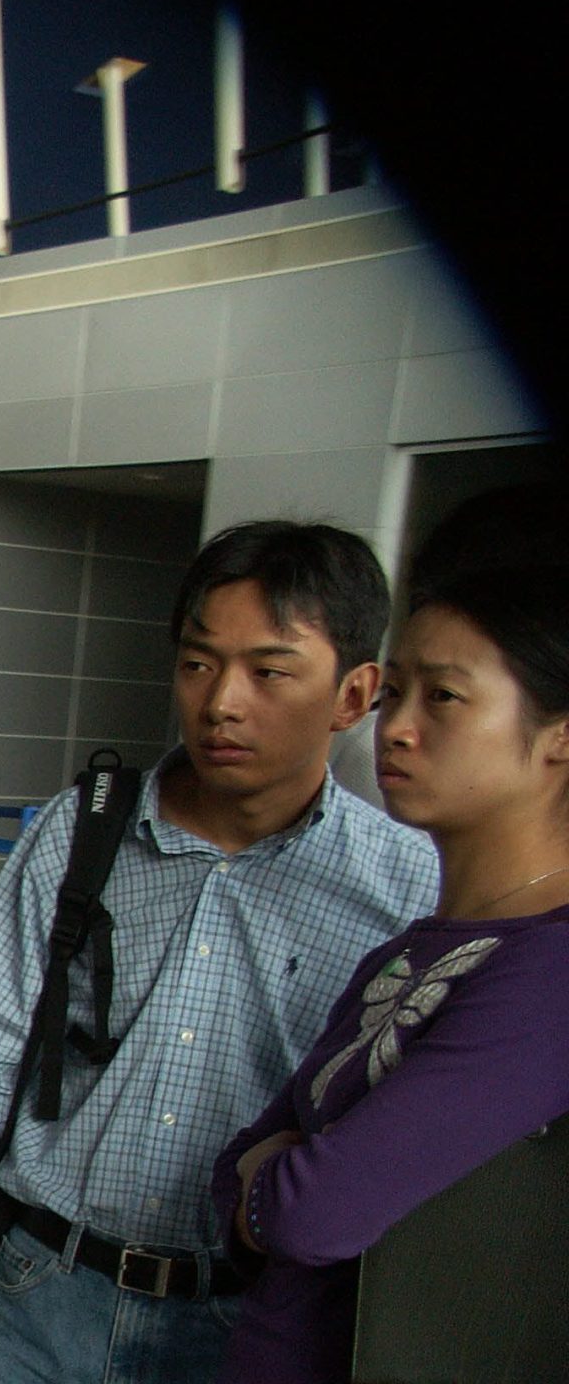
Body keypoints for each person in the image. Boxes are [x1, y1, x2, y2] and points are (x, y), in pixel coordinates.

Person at [0, 521, 441, 1384]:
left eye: (269, 672)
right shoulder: (83, 833)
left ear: (354, 694)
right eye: (197, 663)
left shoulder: (409, 888)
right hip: (43, 1292)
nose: (222, 703)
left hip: (249, 1320)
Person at [211, 549, 569, 1381]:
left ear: (561, 735)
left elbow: (315, 1214)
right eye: (395, 693)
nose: (396, 729)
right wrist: (270, 1183)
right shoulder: (412, 949)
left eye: (443, 697)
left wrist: (274, 1185)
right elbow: (237, 1166)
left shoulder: (550, 970)